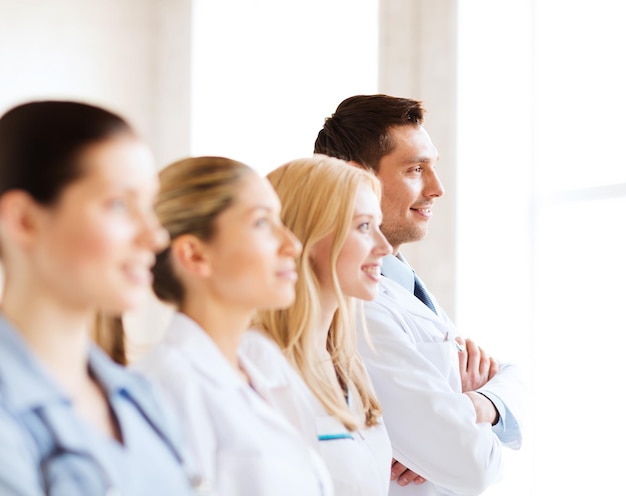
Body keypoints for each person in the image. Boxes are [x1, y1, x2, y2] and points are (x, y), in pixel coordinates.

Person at [314, 94, 524, 496]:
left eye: (434, 167)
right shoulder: (354, 304)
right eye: (415, 169)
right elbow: (470, 463)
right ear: (355, 178)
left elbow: (516, 378)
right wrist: (465, 416)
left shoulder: (401, 283)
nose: (438, 188)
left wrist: (479, 404)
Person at [0, 100, 196, 495]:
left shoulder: (139, 399)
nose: (155, 236)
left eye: (150, 206)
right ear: (24, 221)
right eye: (120, 204)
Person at [133, 156, 334, 495]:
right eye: (261, 223)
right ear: (195, 255)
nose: (292, 244)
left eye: (280, 220)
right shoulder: (167, 388)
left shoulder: (261, 365)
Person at [246, 154, 393, 496]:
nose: (384, 247)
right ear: (304, 236)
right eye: (363, 226)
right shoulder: (255, 360)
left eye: (378, 225)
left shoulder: (345, 362)